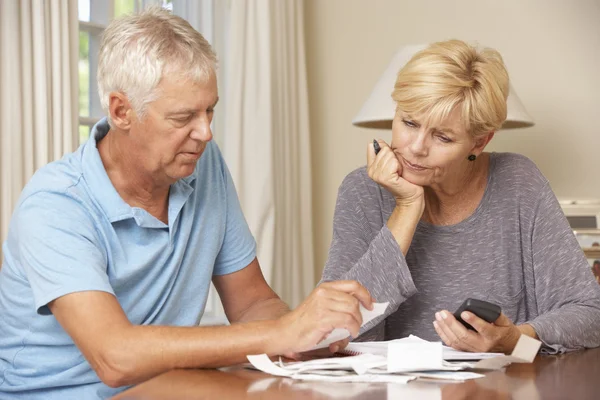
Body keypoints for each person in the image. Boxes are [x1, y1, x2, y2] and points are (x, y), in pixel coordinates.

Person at [0, 8, 373, 399]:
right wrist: (280, 332)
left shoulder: (202, 164)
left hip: (164, 387)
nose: (206, 133)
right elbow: (114, 358)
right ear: (121, 111)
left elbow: (251, 303)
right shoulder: (56, 205)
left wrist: (304, 335)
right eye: (184, 117)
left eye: (210, 109)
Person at [321, 39, 600, 355]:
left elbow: (589, 314)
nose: (416, 147)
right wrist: (408, 207)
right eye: (409, 122)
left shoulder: (519, 183)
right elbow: (332, 330)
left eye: (442, 137)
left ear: (479, 143)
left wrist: (514, 341)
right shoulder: (363, 191)